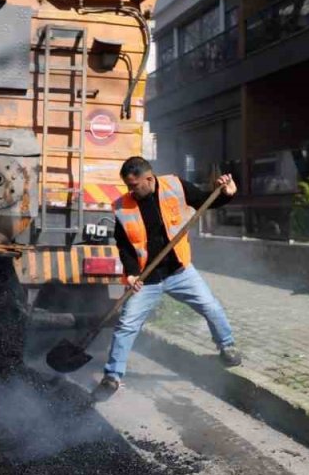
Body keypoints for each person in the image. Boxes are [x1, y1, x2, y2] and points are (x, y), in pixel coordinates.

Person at [98, 156, 243, 400]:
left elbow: (205, 200)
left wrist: (226, 194)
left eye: (134, 185)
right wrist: (131, 274)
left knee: (210, 306)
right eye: (127, 186)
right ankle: (112, 376)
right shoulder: (123, 206)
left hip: (180, 271)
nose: (130, 190)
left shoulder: (175, 186)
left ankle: (227, 346)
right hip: (147, 278)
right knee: (126, 325)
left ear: (149, 178)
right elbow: (124, 245)